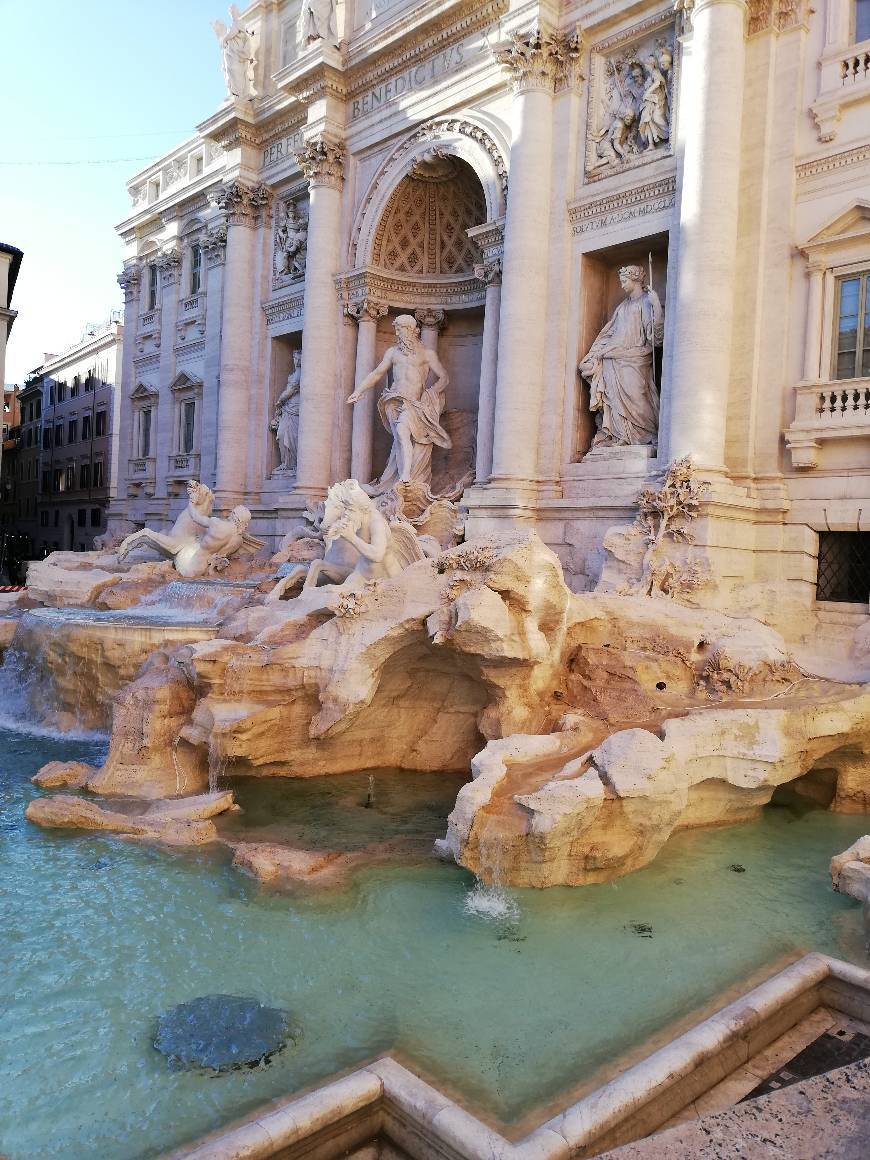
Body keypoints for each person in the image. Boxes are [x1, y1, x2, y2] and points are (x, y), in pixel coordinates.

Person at [347, 315, 451, 491]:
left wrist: (431, 394)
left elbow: (444, 378)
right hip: (394, 401)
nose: (396, 332)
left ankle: (406, 475)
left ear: (410, 330)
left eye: (399, 329)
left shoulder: (427, 354)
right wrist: (359, 390)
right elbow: (377, 373)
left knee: (403, 431)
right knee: (399, 440)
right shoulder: (393, 353)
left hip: (415, 404)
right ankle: (399, 477)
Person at [579, 265, 664, 449]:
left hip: (636, 357)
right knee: (613, 399)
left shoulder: (646, 303)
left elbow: (655, 338)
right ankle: (619, 436)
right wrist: (596, 353)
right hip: (613, 357)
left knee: (637, 396)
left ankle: (646, 434)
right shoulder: (623, 306)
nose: (622, 284)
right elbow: (610, 333)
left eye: (624, 281)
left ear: (635, 280)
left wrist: (656, 305)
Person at [272, 351, 301, 473]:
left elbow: (292, 389)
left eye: (296, 357)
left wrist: (280, 400)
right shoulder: (294, 373)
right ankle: (286, 462)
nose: (294, 360)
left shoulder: (300, 373)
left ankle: (292, 463)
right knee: (282, 433)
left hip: (295, 407)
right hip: (288, 408)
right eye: (293, 357)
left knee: (292, 435)